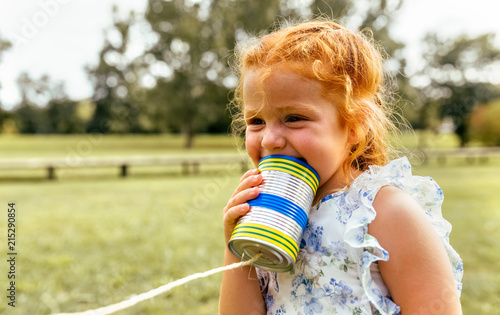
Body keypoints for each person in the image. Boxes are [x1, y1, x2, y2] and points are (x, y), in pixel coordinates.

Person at [219, 19, 463, 315]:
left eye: (293, 118)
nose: (270, 139)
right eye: (256, 121)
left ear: (354, 126)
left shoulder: (384, 213)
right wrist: (237, 246)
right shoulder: (267, 215)